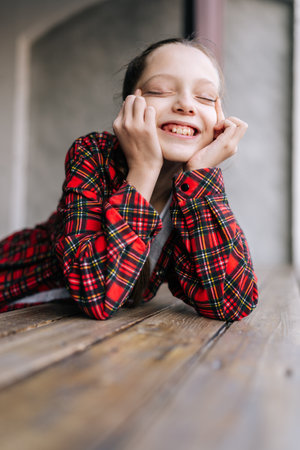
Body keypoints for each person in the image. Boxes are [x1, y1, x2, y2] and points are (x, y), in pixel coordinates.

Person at [0, 37, 258, 320]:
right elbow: (96, 293)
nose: (186, 104)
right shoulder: (93, 154)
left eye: (206, 97)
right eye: (160, 90)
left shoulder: (192, 193)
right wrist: (144, 168)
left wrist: (201, 179)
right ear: (130, 106)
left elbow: (233, 303)